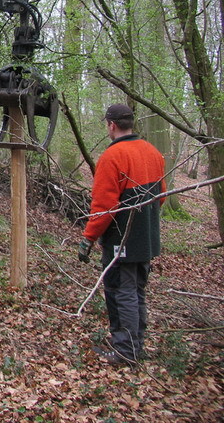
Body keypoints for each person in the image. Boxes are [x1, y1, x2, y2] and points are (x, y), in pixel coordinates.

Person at [78, 103, 166, 366]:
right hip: (147, 238)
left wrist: (89, 238)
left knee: (122, 291)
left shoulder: (113, 157)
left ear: (112, 125)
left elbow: (104, 206)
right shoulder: (153, 152)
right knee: (137, 290)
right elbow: (160, 195)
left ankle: (126, 351)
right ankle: (135, 345)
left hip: (122, 239)